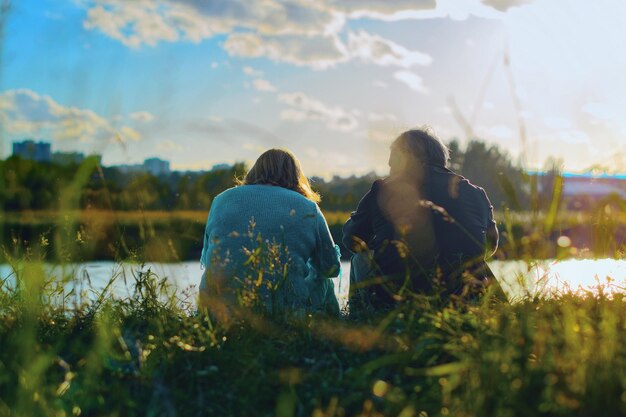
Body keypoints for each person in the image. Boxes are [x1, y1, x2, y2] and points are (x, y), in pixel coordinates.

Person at [343, 128, 504, 310]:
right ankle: (491, 309)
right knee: (476, 260)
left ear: (411, 155)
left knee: (359, 259)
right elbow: (490, 247)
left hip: (396, 298)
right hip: (462, 298)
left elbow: (351, 240)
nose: (388, 163)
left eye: (393, 155)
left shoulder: (382, 189)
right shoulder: (476, 193)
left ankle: (359, 318)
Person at [199, 149, 341, 317]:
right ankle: (334, 328)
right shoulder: (307, 207)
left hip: (216, 313)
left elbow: (208, 257)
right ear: (295, 175)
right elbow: (331, 268)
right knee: (322, 277)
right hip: (282, 314)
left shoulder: (221, 200)